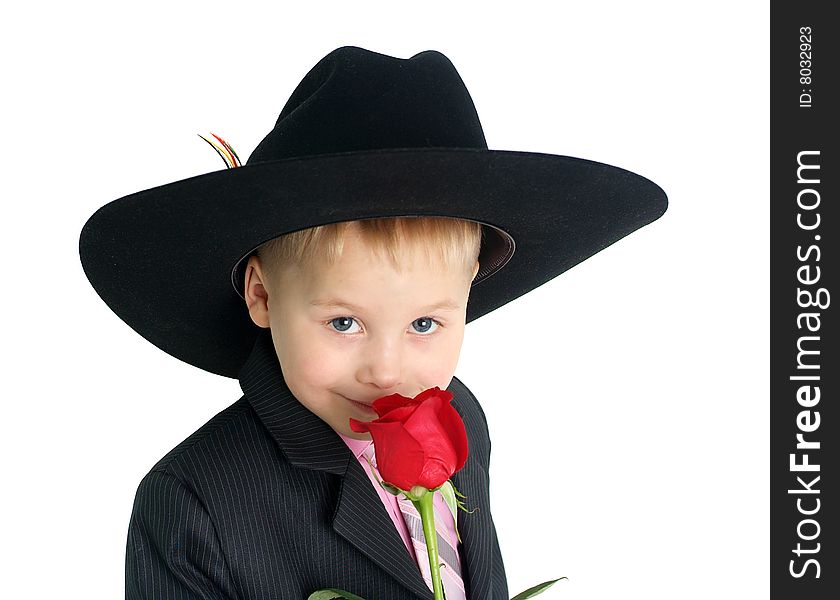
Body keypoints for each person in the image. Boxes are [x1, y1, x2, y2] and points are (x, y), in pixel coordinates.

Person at [79, 46, 667, 600]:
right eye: (342, 323)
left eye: (424, 325)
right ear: (261, 294)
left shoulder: (458, 417)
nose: (387, 371)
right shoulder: (192, 499)